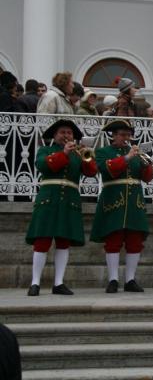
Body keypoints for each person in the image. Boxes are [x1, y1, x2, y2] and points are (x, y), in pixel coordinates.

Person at [25, 119, 98, 296]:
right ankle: (35, 283)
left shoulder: (78, 153)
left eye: (69, 133)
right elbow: (44, 165)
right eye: (62, 132)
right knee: (42, 241)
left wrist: (86, 156)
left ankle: (58, 283)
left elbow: (91, 172)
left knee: (63, 242)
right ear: (55, 135)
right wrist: (64, 153)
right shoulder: (45, 150)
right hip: (48, 199)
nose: (66, 136)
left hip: (69, 200)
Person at [90, 119, 153, 293]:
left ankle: (130, 280)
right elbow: (107, 169)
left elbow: (147, 178)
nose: (126, 138)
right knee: (113, 239)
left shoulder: (136, 153)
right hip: (113, 199)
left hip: (134, 201)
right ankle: (113, 279)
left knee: (135, 240)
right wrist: (126, 157)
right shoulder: (104, 151)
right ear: (114, 135)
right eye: (122, 135)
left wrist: (147, 164)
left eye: (128, 135)